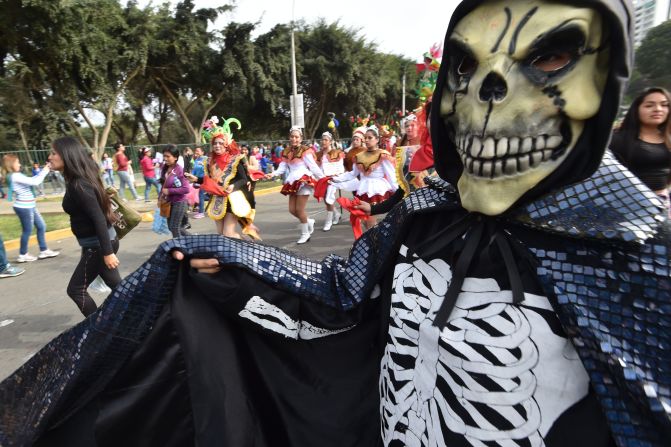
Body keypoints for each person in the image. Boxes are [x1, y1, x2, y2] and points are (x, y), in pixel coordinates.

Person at [3, 2, 671, 446]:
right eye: (465, 68)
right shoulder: (426, 213)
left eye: (550, 58)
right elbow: (341, 289)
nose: (486, 98)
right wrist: (230, 266)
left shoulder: (634, 251)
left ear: (605, 82)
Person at [49, 137, 121, 317]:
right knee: (119, 288)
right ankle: (141, 316)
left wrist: (107, 252)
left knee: (76, 289)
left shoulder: (78, 184)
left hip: (98, 246)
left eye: (53, 153)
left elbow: (98, 218)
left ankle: (97, 331)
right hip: (99, 244)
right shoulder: (77, 179)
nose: (49, 157)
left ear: (66, 156)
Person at [186, 116, 260, 240]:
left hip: (232, 200)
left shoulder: (235, 159)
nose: (217, 145)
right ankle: (237, 251)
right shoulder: (209, 162)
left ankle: (246, 245)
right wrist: (196, 179)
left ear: (226, 145)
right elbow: (209, 181)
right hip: (217, 201)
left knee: (228, 234)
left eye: (221, 143)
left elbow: (243, 180)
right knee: (222, 236)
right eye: (215, 143)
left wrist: (233, 186)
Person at [610, 87, 671, 209]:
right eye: (649, 106)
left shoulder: (669, 138)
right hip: (626, 205)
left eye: (664, 105)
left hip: (662, 204)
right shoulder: (617, 139)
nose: (658, 109)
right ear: (636, 109)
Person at [330, 126, 398, 231]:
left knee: (370, 222)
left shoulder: (382, 154)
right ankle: (375, 242)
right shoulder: (359, 156)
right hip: (363, 189)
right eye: (365, 138)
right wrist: (337, 178)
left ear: (377, 140)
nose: (366, 140)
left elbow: (391, 175)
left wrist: (397, 192)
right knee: (366, 223)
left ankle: (374, 244)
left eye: (369, 138)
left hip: (377, 190)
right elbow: (352, 174)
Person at [266, 126, 325, 244]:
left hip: (303, 180)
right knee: (292, 210)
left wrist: (323, 178)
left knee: (299, 209)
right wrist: (273, 174)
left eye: (297, 137)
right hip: (292, 181)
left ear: (301, 138)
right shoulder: (287, 151)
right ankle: (309, 221)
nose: (294, 139)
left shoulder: (305, 151)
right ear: (289, 137)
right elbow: (282, 167)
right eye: (292, 136)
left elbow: (313, 166)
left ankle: (305, 234)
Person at [1, 154, 59, 263]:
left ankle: (44, 250)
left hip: (29, 205)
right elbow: (35, 182)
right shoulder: (15, 176)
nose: (20, 164)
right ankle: (23, 254)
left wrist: (43, 170)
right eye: (17, 162)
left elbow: (32, 179)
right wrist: (46, 170)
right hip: (24, 207)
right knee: (27, 230)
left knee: (41, 226)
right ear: (11, 164)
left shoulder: (16, 175)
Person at [159, 144, 191, 238]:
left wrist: (169, 191)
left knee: (175, 227)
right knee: (171, 227)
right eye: (164, 156)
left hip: (179, 202)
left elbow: (186, 189)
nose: (165, 158)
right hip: (168, 202)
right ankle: (194, 240)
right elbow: (163, 184)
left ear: (175, 157)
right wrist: (160, 197)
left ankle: (179, 249)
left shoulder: (180, 170)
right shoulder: (164, 168)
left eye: (168, 156)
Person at [315, 131, 344, 231]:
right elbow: (316, 167)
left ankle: (328, 221)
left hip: (333, 179)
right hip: (323, 179)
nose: (323, 142)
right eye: (322, 140)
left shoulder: (337, 153)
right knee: (326, 200)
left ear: (330, 141)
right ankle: (336, 213)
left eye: (326, 140)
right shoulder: (319, 154)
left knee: (328, 199)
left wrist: (337, 176)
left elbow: (340, 168)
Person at [190, 146, 208, 219]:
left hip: (204, 179)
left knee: (201, 195)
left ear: (202, 152)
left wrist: (204, 165)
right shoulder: (196, 160)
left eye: (198, 151)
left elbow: (209, 169)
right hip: (197, 180)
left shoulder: (206, 159)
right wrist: (191, 175)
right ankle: (201, 209)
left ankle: (201, 212)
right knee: (200, 195)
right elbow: (194, 169)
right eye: (195, 151)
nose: (196, 152)